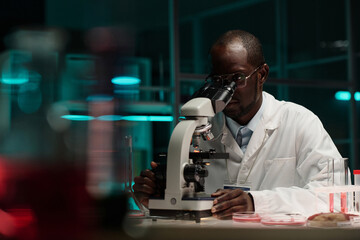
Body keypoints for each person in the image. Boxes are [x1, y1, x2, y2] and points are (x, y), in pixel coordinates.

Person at [133, 30, 342, 219]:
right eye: (218, 80)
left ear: (261, 75)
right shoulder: (200, 130)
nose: (228, 90)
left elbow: (333, 195)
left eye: (237, 78)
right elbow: (185, 211)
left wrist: (255, 202)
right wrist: (156, 197)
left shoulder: (300, 123)